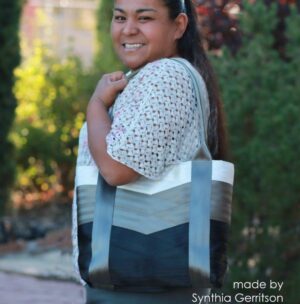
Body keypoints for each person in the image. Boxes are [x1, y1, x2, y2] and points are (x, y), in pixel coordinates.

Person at [72, 0, 228, 303]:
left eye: (144, 18)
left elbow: (116, 169)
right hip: (141, 283)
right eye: (120, 17)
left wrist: (96, 105)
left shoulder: (166, 76)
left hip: (141, 287)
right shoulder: (149, 77)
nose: (128, 29)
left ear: (179, 25)